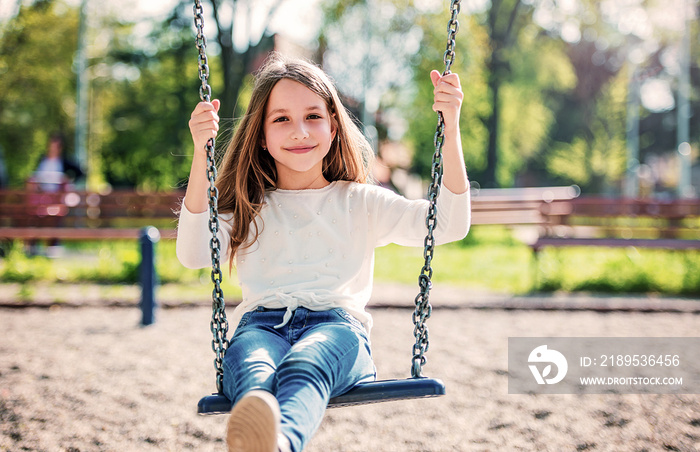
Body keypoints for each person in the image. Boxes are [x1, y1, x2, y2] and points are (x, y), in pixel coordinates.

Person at [176, 53, 470, 452]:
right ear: (261, 135)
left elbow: (447, 224)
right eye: (281, 119)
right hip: (260, 327)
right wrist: (201, 151)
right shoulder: (248, 207)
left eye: (313, 116)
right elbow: (195, 253)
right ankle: (262, 440)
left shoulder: (361, 202)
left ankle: (280, 444)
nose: (299, 131)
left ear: (333, 126)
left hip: (338, 330)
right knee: (254, 368)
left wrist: (450, 128)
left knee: (306, 362)